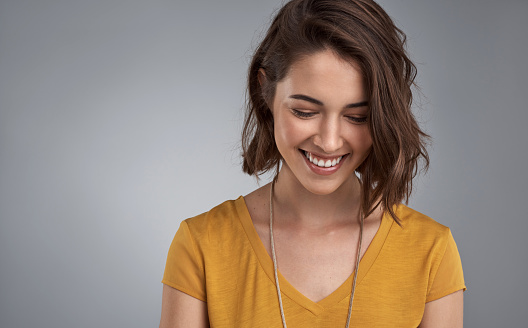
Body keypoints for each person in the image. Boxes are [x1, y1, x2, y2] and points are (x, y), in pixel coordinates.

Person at [159, 0, 466, 327]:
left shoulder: (431, 251)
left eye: (357, 117)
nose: (329, 141)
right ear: (267, 92)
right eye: (305, 112)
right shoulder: (201, 244)